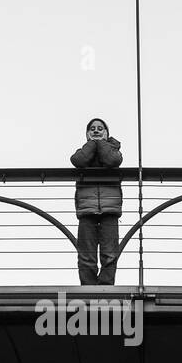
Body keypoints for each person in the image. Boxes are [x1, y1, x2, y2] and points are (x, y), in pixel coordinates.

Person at [70, 117, 123, 285]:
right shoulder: (84, 151)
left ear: (107, 133)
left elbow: (112, 161)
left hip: (110, 210)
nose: (96, 130)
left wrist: (101, 143)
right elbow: (77, 161)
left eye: (100, 128)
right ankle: (88, 289)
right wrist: (93, 143)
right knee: (86, 255)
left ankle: (105, 289)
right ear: (87, 134)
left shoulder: (114, 151)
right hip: (87, 210)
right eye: (92, 128)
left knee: (110, 254)